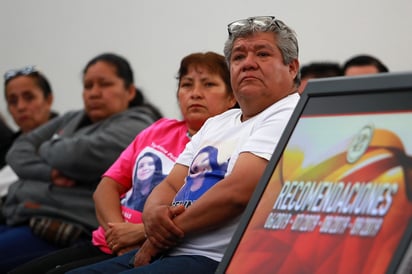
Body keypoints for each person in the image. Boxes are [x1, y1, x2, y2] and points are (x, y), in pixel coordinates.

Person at [68, 15, 301, 274]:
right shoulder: (218, 122)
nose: (248, 64)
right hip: (171, 248)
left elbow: (236, 194)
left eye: (262, 54)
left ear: (292, 68)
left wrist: (154, 237)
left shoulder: (288, 114)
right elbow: (170, 183)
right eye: (238, 57)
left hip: (214, 259)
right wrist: (153, 212)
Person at [8, 51, 237, 274]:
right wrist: (117, 235)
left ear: (231, 97)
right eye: (187, 85)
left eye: (208, 85)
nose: (195, 93)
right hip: (109, 240)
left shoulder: (227, 143)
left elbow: (200, 209)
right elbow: (106, 187)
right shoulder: (158, 129)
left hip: (159, 247)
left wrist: (139, 233)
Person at [0, 52, 162, 273]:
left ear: (130, 91)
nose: (94, 92)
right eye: (88, 85)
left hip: (64, 226)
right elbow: (18, 150)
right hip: (19, 217)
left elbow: (75, 155)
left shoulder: (136, 125)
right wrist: (50, 174)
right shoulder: (71, 118)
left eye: (104, 84)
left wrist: (48, 145)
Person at [0, 66, 58, 211]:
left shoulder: (67, 141)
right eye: (13, 101)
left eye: (29, 98)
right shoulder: (6, 149)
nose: (20, 107)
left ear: (49, 99)